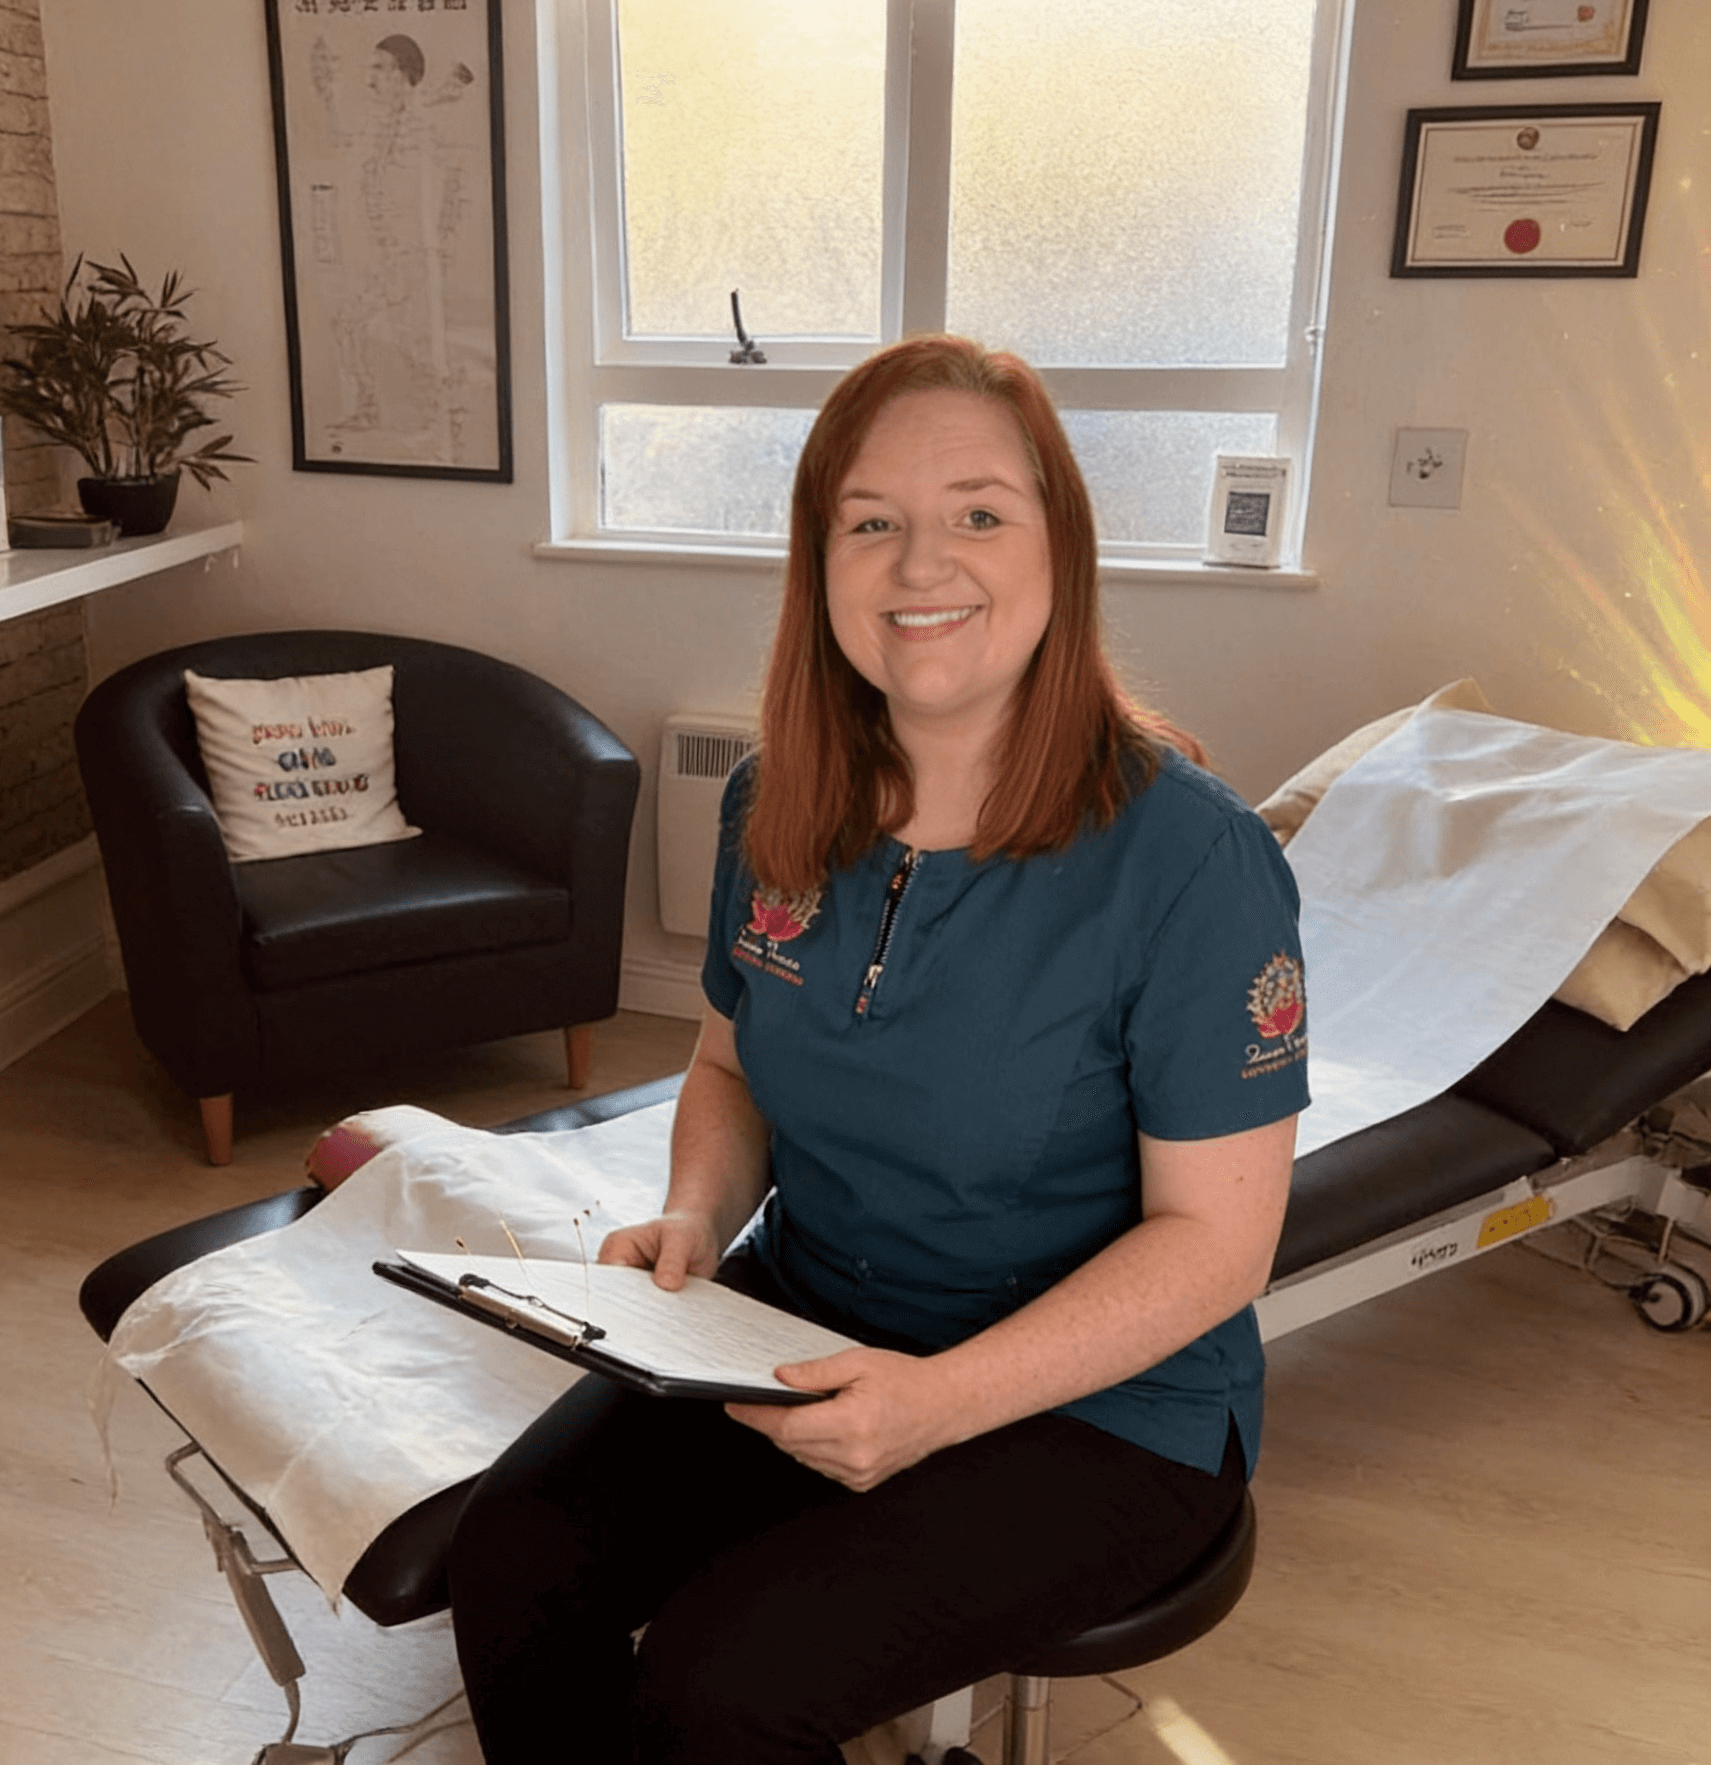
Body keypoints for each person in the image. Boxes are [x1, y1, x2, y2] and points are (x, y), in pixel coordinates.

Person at [446, 334, 1309, 1765]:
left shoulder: (1189, 861)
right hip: (805, 1318)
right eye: (872, 523)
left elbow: (1216, 1246)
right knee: (515, 1560)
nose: (923, 565)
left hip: (1107, 1410)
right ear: (820, 560)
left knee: (726, 1685)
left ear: (1061, 548)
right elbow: (727, 1065)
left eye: (979, 512)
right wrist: (697, 1219)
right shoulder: (778, 799)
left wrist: (938, 1405)